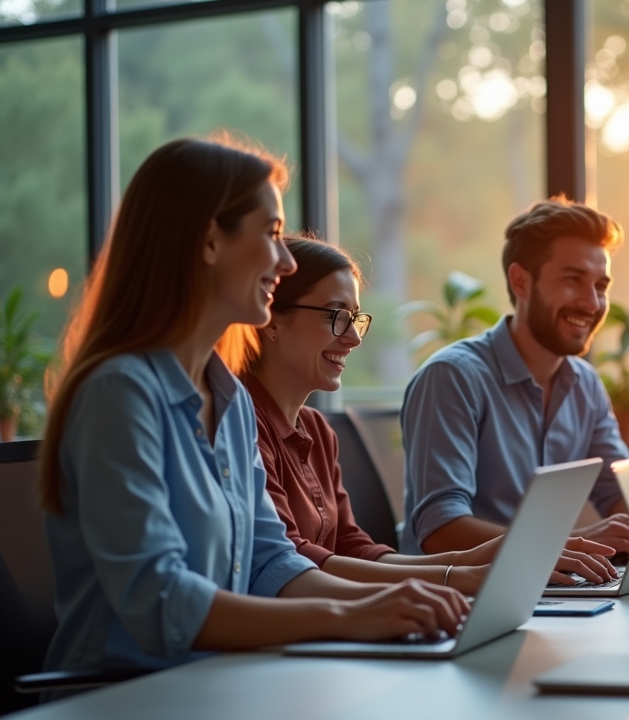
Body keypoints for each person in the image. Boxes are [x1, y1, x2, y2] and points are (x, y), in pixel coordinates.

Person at [40, 137, 467, 679]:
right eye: (271, 234)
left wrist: (386, 604)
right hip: (126, 696)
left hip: (223, 680)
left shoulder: (230, 399)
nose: (284, 261)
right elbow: (161, 601)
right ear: (209, 242)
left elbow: (270, 561)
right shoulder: (119, 394)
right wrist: (351, 616)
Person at [218, 236, 619, 592]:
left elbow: (352, 547)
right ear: (270, 319)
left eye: (355, 318)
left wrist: (469, 562)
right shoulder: (239, 423)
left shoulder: (317, 430)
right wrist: (454, 575)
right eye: (336, 315)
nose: (354, 337)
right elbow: (288, 560)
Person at [400, 197, 629, 567]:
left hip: (549, 587)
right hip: (459, 594)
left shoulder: (585, 385)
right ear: (520, 281)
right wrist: (572, 545)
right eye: (573, 280)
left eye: (601, 286)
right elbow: (440, 530)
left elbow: (621, 494)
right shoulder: (453, 377)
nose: (592, 303)